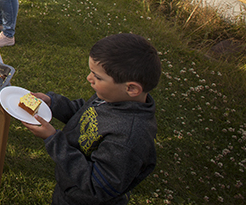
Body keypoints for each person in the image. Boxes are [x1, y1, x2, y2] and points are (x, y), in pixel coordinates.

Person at [23, 33, 161, 205]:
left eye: (97, 77)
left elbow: (98, 185)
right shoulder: (112, 97)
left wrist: (53, 139)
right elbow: (83, 112)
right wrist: (52, 103)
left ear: (131, 88)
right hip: (70, 189)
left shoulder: (128, 138)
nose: (89, 78)